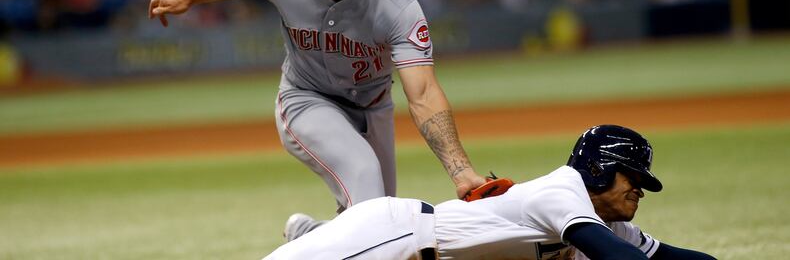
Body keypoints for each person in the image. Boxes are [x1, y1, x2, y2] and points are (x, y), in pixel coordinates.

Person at [148, 0, 487, 240]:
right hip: (305, 99)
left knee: (381, 216)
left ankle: (311, 236)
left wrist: (461, 172)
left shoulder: (396, 6)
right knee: (365, 180)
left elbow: (424, 92)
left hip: (373, 108)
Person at [263, 125, 717, 260]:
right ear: (597, 171)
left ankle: (318, 234)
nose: (639, 190)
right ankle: (320, 238)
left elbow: (673, 258)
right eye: (631, 177)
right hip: (397, 237)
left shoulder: (606, 223)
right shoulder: (563, 192)